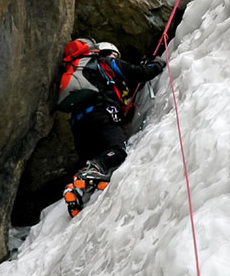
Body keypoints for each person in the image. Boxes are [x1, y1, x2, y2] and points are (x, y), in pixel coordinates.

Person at [58, 38, 166, 217]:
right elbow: (138, 73)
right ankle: (92, 170)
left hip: (79, 128)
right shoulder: (105, 63)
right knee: (117, 151)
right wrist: (157, 64)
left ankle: (76, 189)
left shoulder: (84, 73)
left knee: (96, 157)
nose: (117, 57)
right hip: (100, 117)